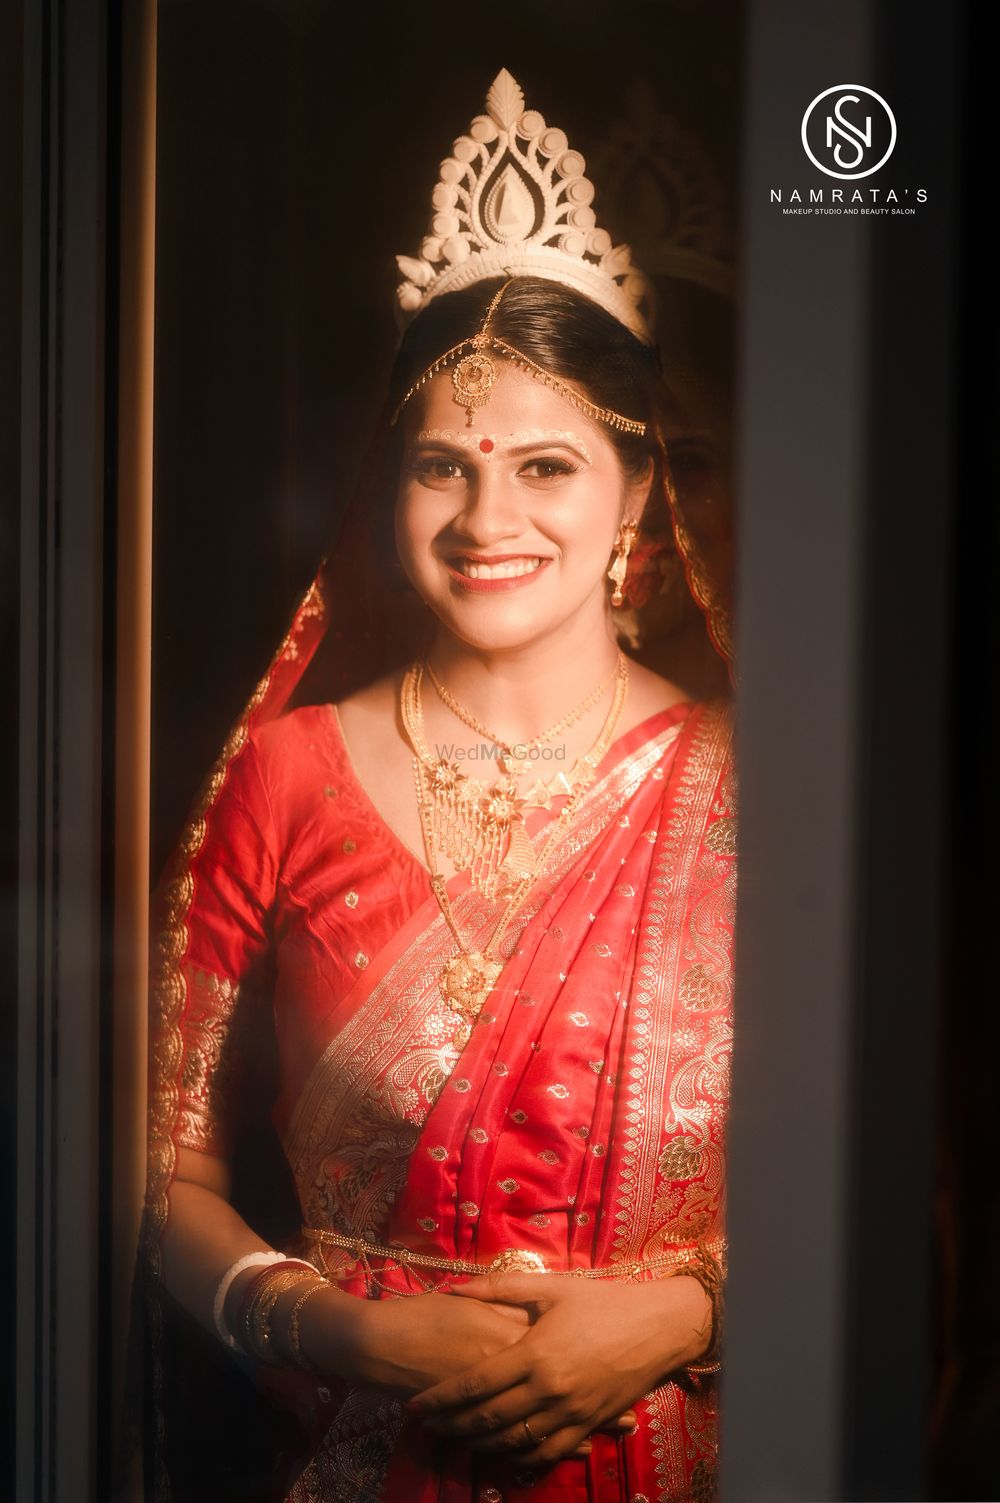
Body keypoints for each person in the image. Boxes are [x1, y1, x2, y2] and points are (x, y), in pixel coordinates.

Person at [146, 68, 735, 1503]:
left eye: (546, 465)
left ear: (636, 495)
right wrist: (339, 1330)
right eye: (440, 468)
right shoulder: (288, 774)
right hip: (350, 1456)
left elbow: (890, 1186)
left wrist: (686, 1311)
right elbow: (162, 1175)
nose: (488, 521)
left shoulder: (750, 784)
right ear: (384, 490)